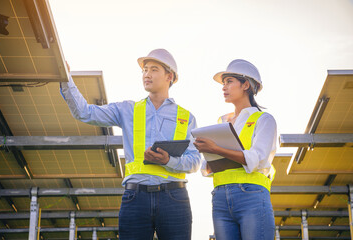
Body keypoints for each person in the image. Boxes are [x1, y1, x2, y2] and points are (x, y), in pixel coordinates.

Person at [60, 49, 201, 240]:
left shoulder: (186, 117)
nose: (146, 74)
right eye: (144, 70)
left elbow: (195, 162)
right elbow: (84, 113)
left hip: (174, 198)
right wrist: (65, 79)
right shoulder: (127, 109)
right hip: (135, 199)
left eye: (153, 69)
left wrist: (169, 160)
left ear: (170, 76)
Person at [194, 59, 276, 240]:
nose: (224, 87)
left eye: (229, 81)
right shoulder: (221, 122)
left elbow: (259, 159)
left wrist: (216, 149)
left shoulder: (264, 120)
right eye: (223, 83)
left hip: (252, 195)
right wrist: (207, 152)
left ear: (246, 84)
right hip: (220, 197)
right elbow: (207, 169)